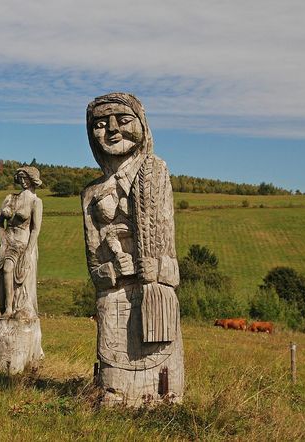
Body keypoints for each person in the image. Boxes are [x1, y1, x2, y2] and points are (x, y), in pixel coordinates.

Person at [81, 92, 183, 405]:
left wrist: (159, 269)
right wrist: (111, 270)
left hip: (157, 304)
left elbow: (173, 265)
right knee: (115, 387)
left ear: (141, 125)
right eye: (100, 124)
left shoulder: (155, 176)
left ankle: (164, 400)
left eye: (123, 120)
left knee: (161, 385)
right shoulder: (91, 194)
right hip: (114, 302)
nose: (111, 130)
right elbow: (94, 266)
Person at [0, 167, 43, 320]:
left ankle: (10, 309)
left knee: (9, 269)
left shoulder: (36, 201)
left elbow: (35, 229)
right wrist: (2, 239)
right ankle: (2, 307)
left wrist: (29, 251)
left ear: (33, 179)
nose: (22, 181)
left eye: (25, 178)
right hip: (7, 241)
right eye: (20, 178)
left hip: (22, 243)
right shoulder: (11, 198)